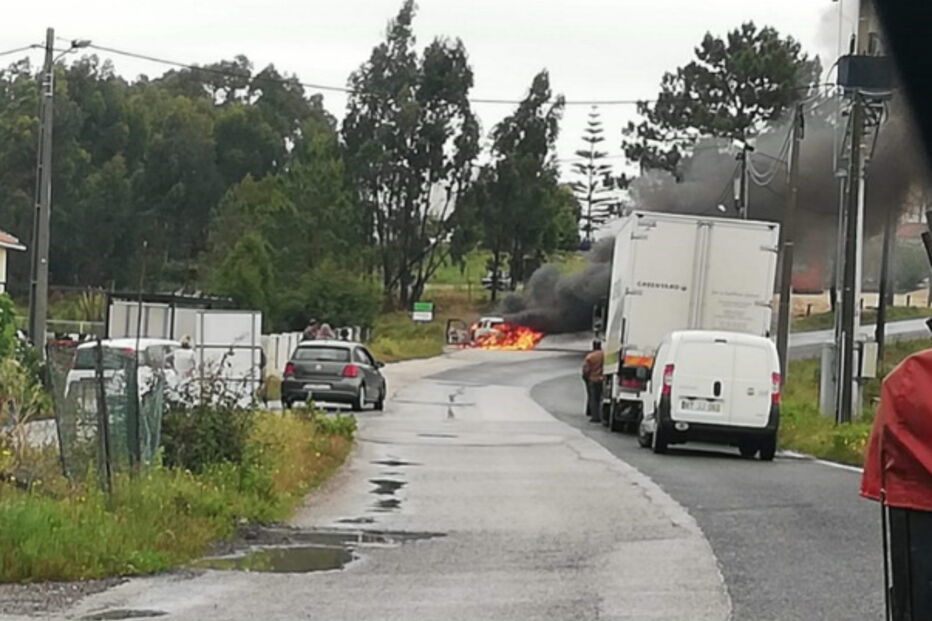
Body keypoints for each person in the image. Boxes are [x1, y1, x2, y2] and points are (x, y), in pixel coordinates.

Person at [582, 340, 604, 423]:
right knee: (600, 397)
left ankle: (595, 416)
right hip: (602, 378)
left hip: (593, 379)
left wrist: (585, 377)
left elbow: (586, 369)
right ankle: (600, 414)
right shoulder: (603, 355)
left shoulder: (590, 357)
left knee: (593, 399)